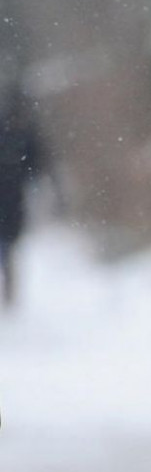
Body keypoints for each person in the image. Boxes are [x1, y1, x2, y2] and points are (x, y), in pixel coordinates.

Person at [0, 84, 47, 309]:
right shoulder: (26, 134)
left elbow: (36, 165)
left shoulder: (27, 135)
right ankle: (9, 283)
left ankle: (9, 284)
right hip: (12, 197)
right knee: (8, 244)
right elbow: (37, 166)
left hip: (12, 197)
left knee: (8, 244)